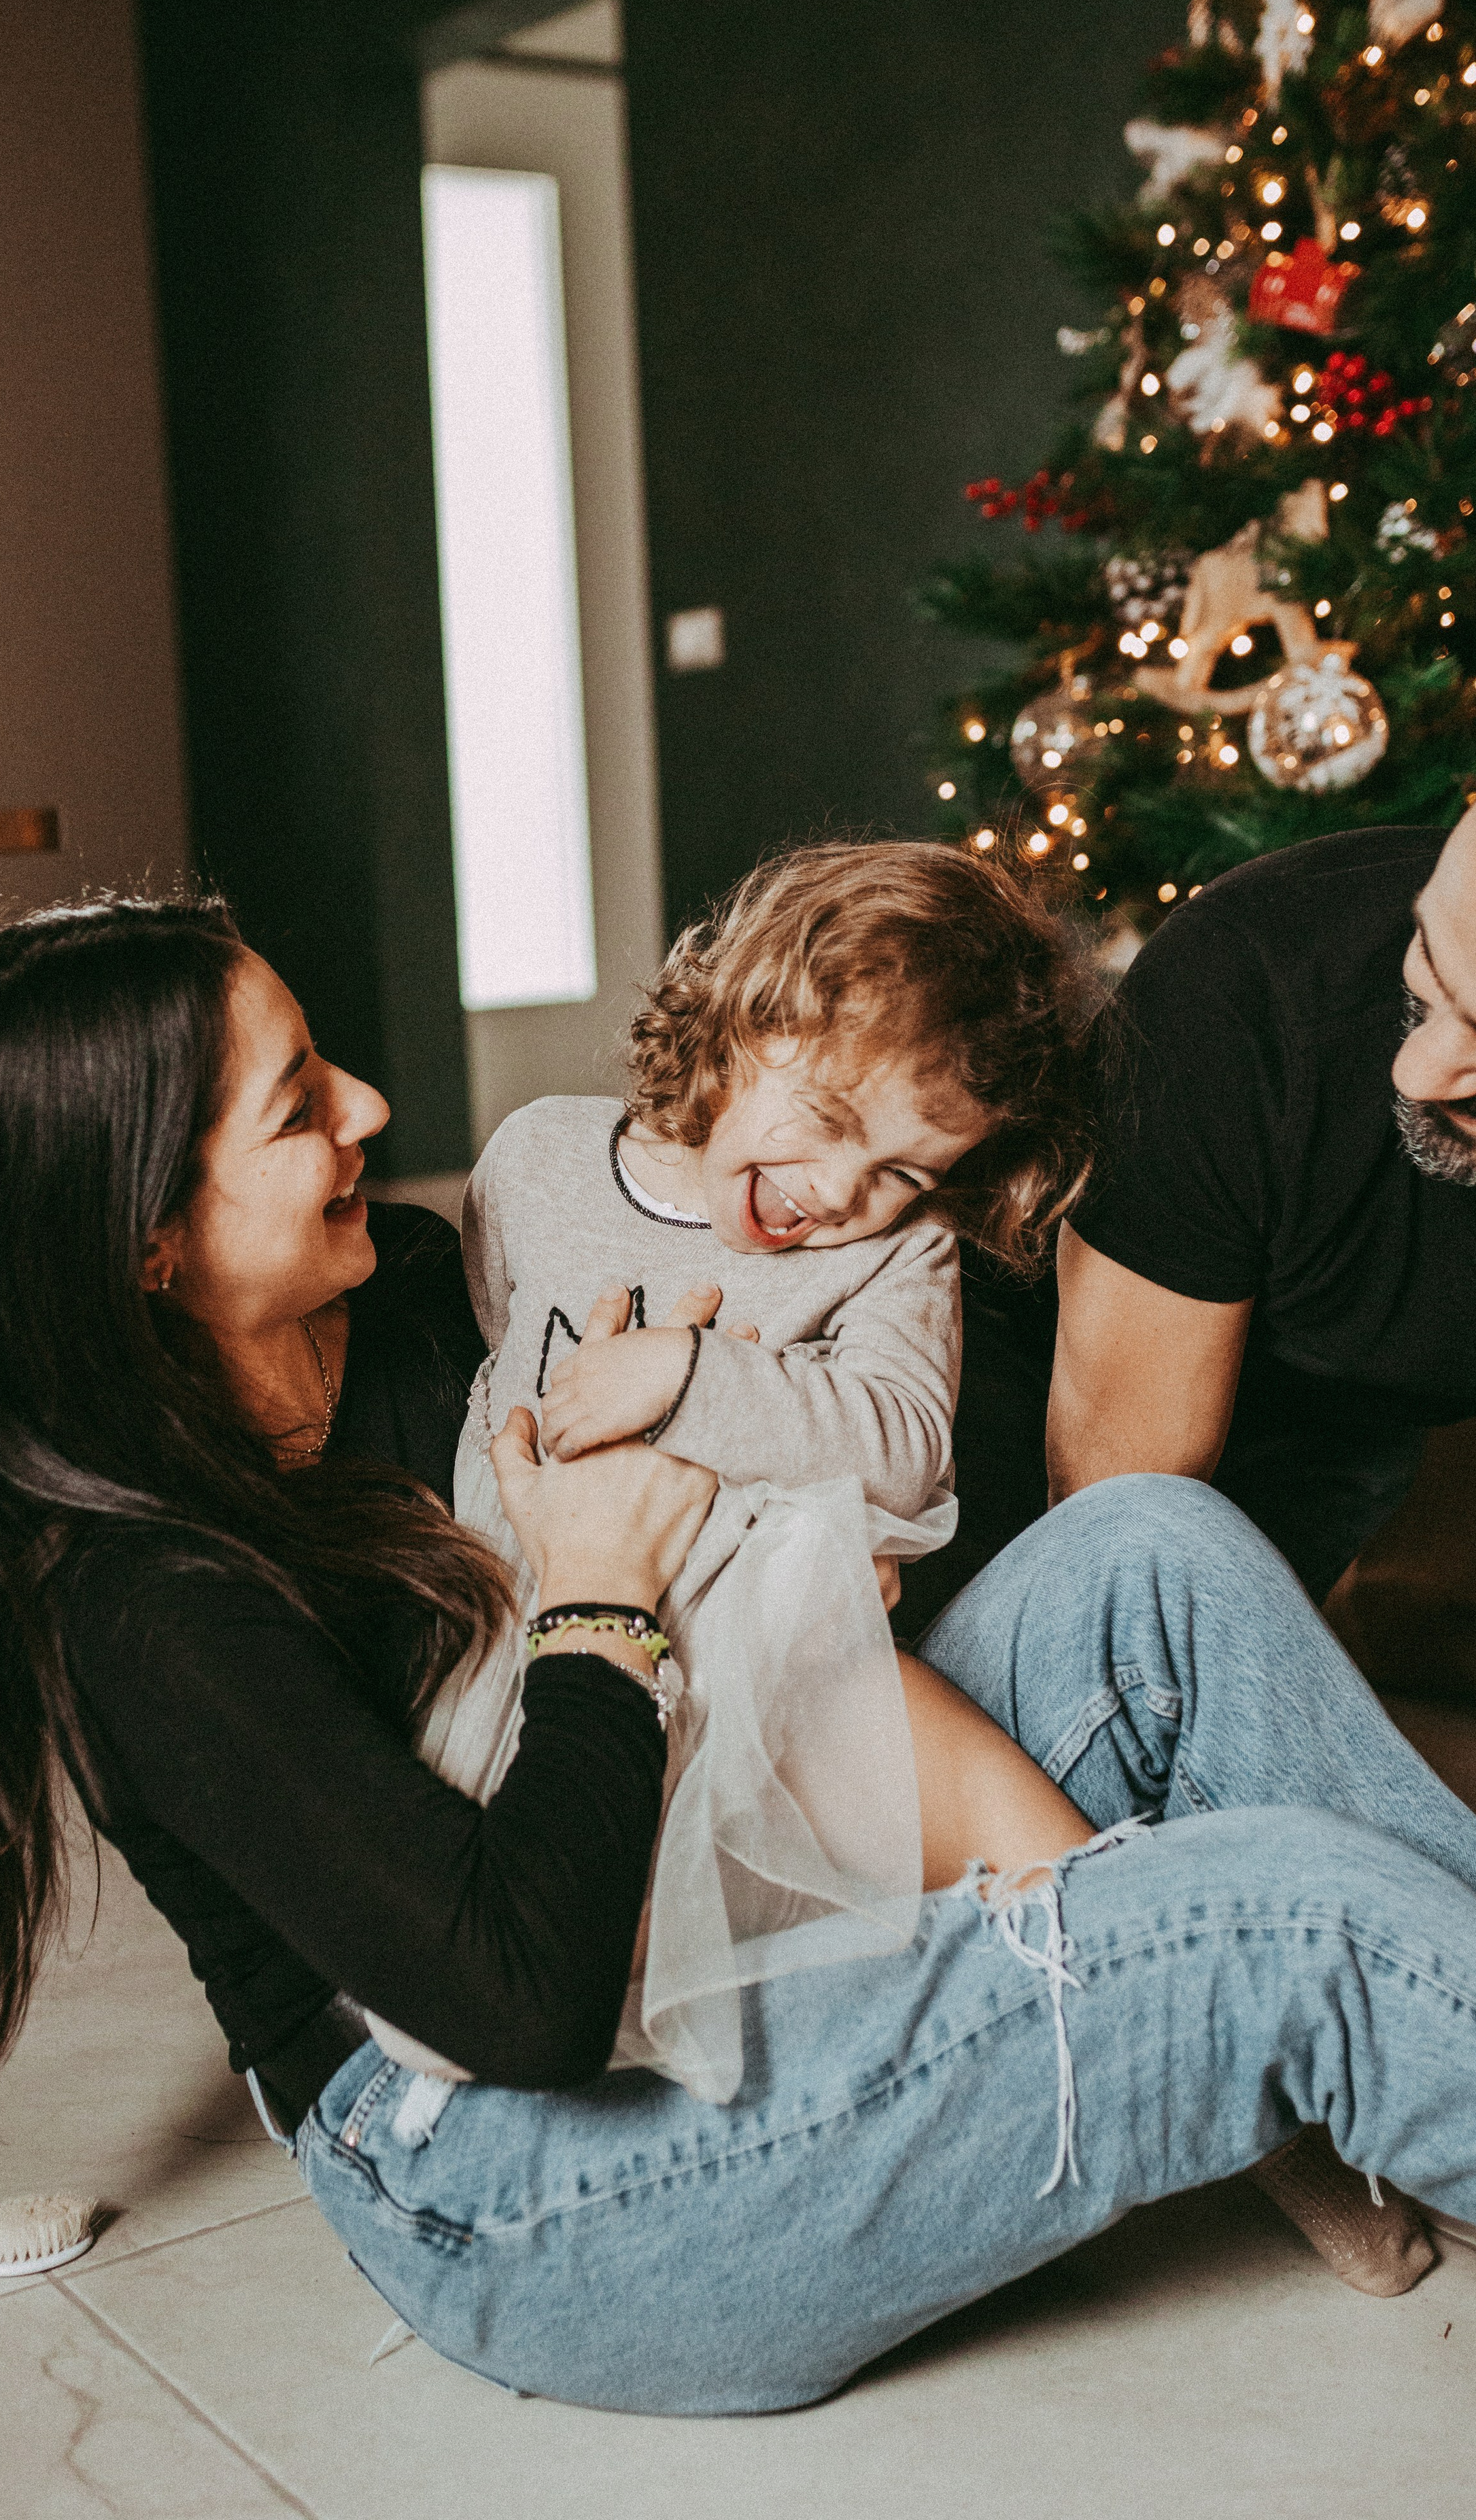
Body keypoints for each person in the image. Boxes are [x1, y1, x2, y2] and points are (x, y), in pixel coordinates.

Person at [0, 896, 1476, 2418]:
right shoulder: (139, 1598)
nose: (373, 1111)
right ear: (144, 1240)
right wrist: (601, 1602)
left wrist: (776, 1502)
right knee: (1287, 1917)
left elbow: (806, 1523)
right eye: (296, 1105)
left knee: (1153, 1547)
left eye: (321, 1059)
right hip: (523, 2178)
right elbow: (514, 2001)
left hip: (708, 1891)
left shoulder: (417, 1290)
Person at [422, 842, 1095, 2098]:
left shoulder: (903, 1260)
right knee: (555, 1978)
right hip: (541, 1660)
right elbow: (506, 1349)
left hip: (776, 1677)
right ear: (742, 1016)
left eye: (905, 1170)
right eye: (832, 1120)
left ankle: (1189, 2035)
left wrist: (689, 1375)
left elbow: (902, 1448)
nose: (843, 1189)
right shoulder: (533, 1165)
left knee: (1012, 1860)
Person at [903, 775, 1476, 1634]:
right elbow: (1117, 1543)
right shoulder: (1246, 985)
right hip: (1045, 1376)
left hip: (1349, 1409)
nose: (1416, 1072)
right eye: (1428, 967)